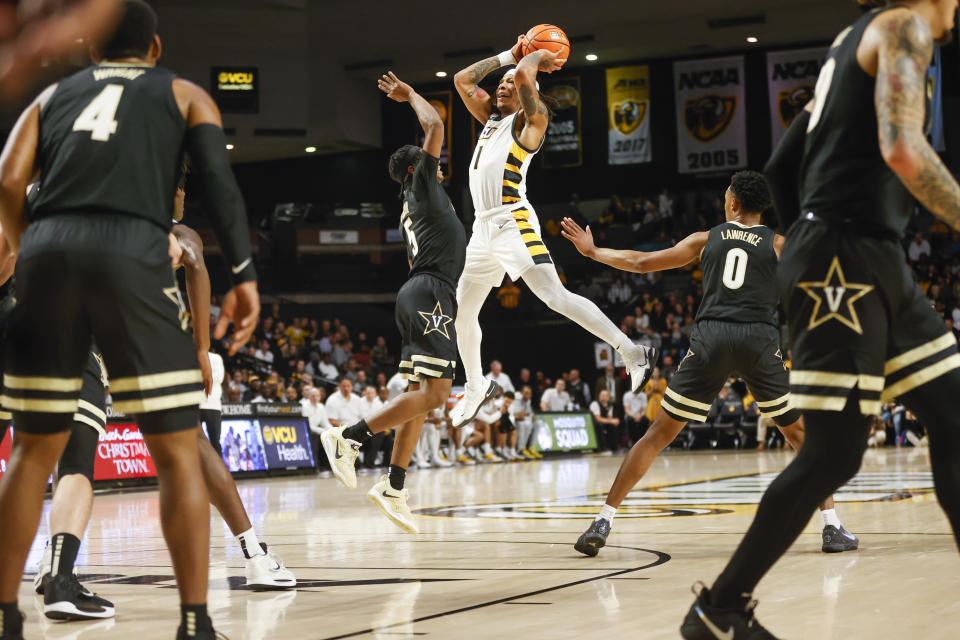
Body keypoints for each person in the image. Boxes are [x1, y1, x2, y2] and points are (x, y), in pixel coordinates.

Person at [680, 2, 960, 637]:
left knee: (951, 413)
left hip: (862, 254)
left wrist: (818, 224)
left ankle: (717, 611)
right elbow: (903, 148)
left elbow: (780, 168)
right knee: (833, 454)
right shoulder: (903, 29)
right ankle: (718, 609)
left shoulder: (849, 42)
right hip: (845, 260)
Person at [0, 3, 259, 638]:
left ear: (91, 52)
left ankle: (5, 615)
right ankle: (194, 622)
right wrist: (245, 275)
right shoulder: (183, 92)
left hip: (48, 254)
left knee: (33, 451)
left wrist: (32, 240)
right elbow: (220, 185)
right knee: (175, 450)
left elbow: (7, 178)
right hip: (130, 252)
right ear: (155, 47)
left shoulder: (53, 95)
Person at [563, 171, 854, 563]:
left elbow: (643, 262)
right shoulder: (780, 244)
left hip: (712, 338)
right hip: (758, 339)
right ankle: (831, 526)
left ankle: (602, 520)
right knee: (802, 436)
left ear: (733, 203)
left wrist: (594, 253)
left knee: (657, 435)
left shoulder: (707, 238)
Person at [449, 36, 657, 428]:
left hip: (513, 220)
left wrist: (538, 56)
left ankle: (631, 351)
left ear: (530, 94)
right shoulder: (491, 120)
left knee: (553, 296)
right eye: (502, 81)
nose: (503, 83)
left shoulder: (530, 122)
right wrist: (509, 55)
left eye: (511, 81)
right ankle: (476, 385)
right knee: (463, 313)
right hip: (481, 227)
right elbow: (462, 80)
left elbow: (528, 77)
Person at [321, 70, 466, 534]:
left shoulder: (419, 198)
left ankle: (394, 486)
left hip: (425, 291)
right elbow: (437, 126)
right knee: (437, 395)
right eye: (434, 164)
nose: (441, 168)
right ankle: (349, 436)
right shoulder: (421, 183)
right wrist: (410, 97)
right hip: (429, 292)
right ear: (415, 167)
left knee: (423, 399)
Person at [170, 221, 295, 589]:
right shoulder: (166, 224)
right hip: (147, 324)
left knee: (60, 447)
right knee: (198, 451)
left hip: (79, 317)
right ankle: (253, 554)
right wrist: (201, 347)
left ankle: (58, 563)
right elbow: (192, 255)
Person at [31, 351, 115, 621]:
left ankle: (50, 559)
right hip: (68, 339)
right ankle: (61, 581)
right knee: (75, 467)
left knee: (24, 462)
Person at [590, 389, 620, 454]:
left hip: (604, 421)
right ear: (599, 396)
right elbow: (598, 418)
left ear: (608, 397)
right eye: (602, 395)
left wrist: (613, 421)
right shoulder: (595, 404)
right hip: (594, 423)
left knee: (613, 425)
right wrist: (611, 421)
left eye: (605, 395)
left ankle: (613, 447)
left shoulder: (610, 404)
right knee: (600, 425)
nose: (603, 397)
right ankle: (603, 447)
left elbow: (609, 417)